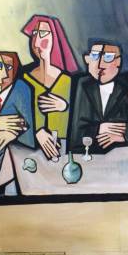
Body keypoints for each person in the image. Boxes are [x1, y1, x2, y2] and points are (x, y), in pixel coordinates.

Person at [69, 40, 128, 153]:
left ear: (118, 61)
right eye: (95, 56)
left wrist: (123, 138)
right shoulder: (81, 85)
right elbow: (75, 136)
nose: (100, 65)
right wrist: (99, 129)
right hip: (89, 156)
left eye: (108, 57)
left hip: (121, 156)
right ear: (87, 59)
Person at [22, 15, 78, 160]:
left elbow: (83, 116)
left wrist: (65, 106)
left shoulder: (69, 80)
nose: (37, 40)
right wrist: (36, 132)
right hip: (30, 149)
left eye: (43, 33)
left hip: (65, 150)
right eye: (34, 33)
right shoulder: (23, 78)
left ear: (55, 37)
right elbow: (17, 113)